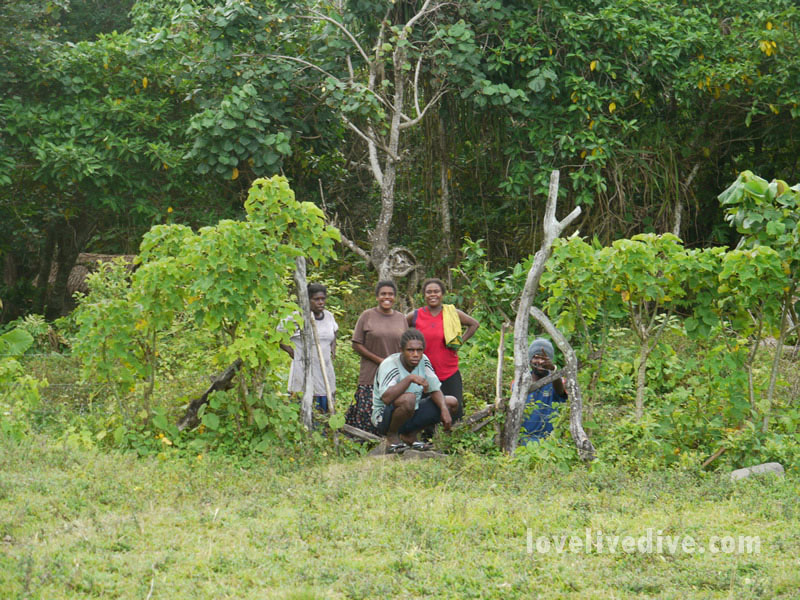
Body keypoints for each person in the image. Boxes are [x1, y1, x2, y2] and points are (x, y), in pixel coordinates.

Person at [372, 328, 458, 452]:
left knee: (450, 402)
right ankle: (391, 437)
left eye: (419, 350)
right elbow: (386, 398)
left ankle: (409, 435)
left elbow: (434, 389)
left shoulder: (423, 360)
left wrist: (444, 410)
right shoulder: (390, 364)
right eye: (410, 350)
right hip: (384, 418)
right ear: (401, 350)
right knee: (409, 399)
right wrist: (410, 378)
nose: (416, 354)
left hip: (411, 413)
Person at [406, 278, 479, 420]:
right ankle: (429, 434)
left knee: (455, 408)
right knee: (425, 410)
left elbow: (474, 324)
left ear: (442, 294)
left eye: (436, 291)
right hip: (423, 371)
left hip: (449, 370)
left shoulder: (452, 313)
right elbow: (398, 327)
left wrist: (460, 342)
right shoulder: (416, 315)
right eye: (429, 292)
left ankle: (453, 433)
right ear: (424, 295)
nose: (433, 295)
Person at [345, 280, 408, 434]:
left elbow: (406, 346)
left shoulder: (401, 318)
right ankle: (366, 442)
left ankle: (390, 440)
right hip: (371, 374)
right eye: (383, 294)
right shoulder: (367, 316)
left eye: (390, 294)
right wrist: (381, 361)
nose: (387, 297)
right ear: (377, 297)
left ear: (395, 297)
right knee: (368, 413)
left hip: (395, 375)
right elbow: (356, 344)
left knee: (393, 411)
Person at [279, 283, 338, 413]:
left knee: (324, 410)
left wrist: (333, 348)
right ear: (308, 300)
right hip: (303, 371)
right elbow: (277, 336)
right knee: (303, 409)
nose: (321, 302)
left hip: (325, 370)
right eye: (316, 299)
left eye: (323, 299)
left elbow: (334, 331)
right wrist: (292, 352)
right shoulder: (297, 317)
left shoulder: (329, 316)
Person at [521, 338, 567, 443]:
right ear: (530, 359)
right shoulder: (519, 382)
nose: (540, 362)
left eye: (544, 358)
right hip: (522, 441)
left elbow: (560, 391)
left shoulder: (557, 381)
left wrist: (553, 370)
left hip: (549, 442)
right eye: (536, 357)